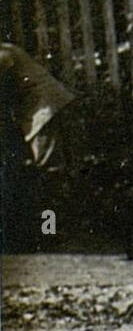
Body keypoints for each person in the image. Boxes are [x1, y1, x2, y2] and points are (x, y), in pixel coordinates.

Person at [1, 42, 77, 251]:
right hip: (38, 112)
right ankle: (46, 233)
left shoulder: (4, 53)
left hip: (44, 112)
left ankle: (49, 233)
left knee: (49, 176)